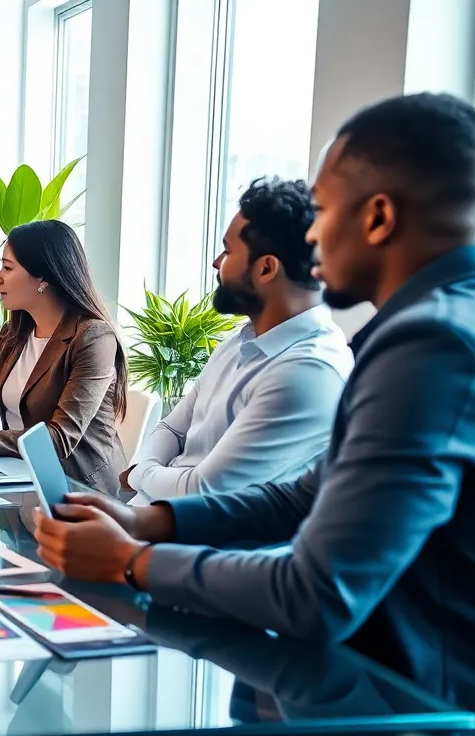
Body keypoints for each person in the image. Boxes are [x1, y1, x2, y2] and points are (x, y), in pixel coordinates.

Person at [33, 93, 475, 708]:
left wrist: (130, 561)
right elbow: (305, 495)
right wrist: (148, 521)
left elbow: (317, 594)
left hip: (404, 711)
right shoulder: (429, 327)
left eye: (324, 211)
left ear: (378, 217)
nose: (313, 236)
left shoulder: (431, 345)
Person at [121, 177, 353, 503]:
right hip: (145, 515)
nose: (216, 262)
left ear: (266, 269)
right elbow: (171, 428)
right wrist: (147, 472)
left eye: (228, 251)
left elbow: (203, 491)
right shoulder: (240, 341)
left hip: (184, 530)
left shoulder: (307, 371)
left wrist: (140, 473)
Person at [0, 220, 128, 494]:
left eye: (7, 267)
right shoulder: (13, 334)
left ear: (43, 279)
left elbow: (59, 440)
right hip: (21, 477)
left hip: (79, 490)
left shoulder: (94, 338)